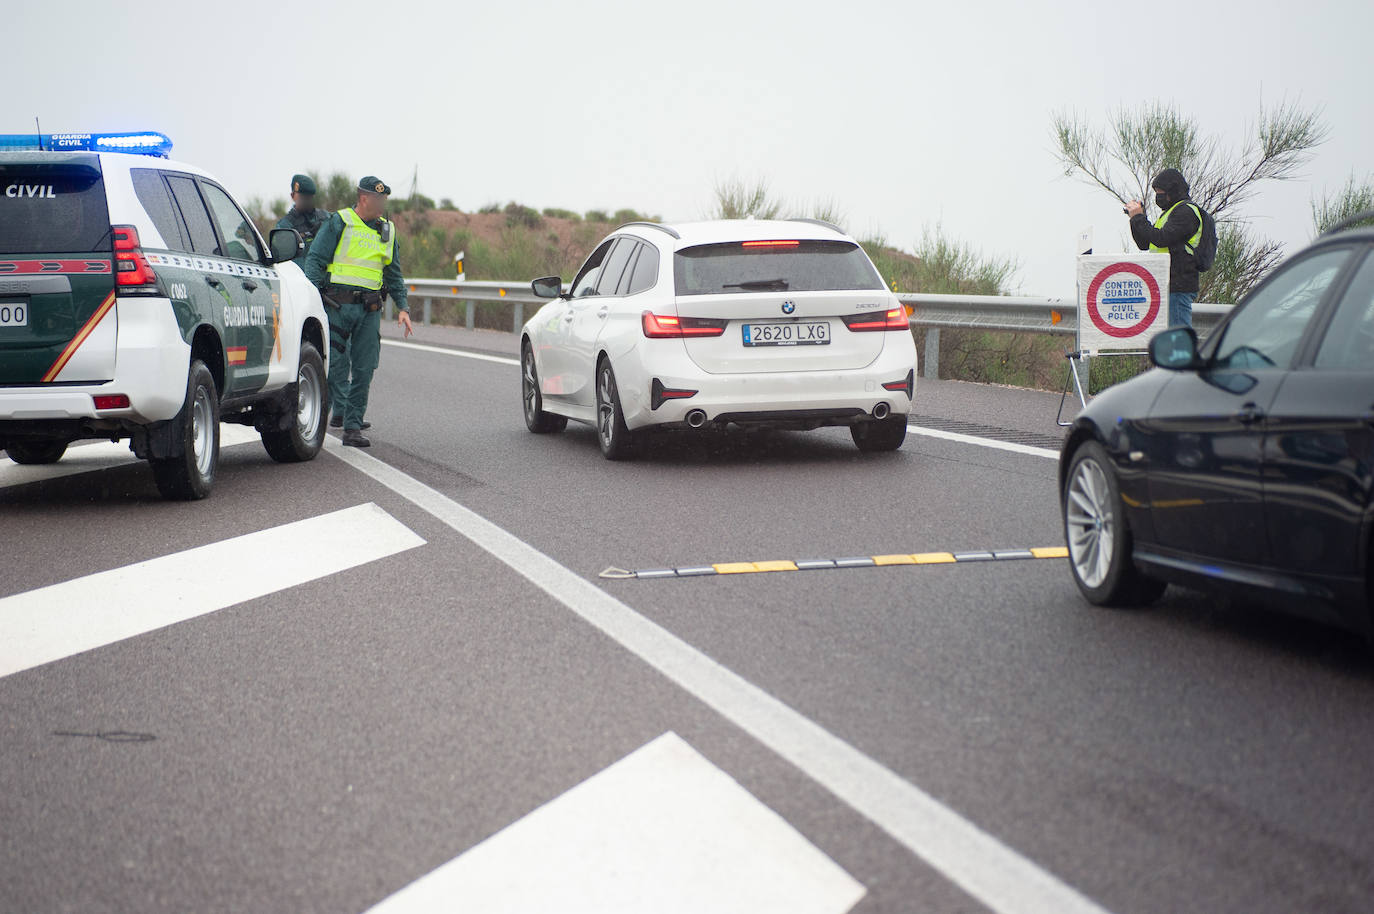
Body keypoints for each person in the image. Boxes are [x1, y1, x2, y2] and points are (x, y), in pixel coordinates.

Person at [303, 176, 414, 447]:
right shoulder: (339, 222)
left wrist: (403, 307)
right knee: (336, 368)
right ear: (364, 198)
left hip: (369, 310)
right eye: (378, 199)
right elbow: (315, 260)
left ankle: (352, 427)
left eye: (384, 199)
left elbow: (394, 272)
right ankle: (321, 418)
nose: (382, 204)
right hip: (337, 309)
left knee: (365, 368)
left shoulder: (387, 230)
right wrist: (314, 297)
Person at [1127, 168, 1202, 327]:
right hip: (1164, 286)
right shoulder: (1170, 214)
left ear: (1173, 191)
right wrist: (1136, 219)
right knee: (1169, 340)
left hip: (1178, 286)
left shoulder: (1185, 212)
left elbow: (1162, 239)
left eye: (1160, 192)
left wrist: (1139, 218)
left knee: (1178, 340)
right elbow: (1144, 243)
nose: (1158, 197)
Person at [275, 174, 331, 257]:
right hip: (299, 269)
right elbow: (284, 253)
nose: (305, 201)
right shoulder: (285, 225)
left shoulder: (325, 217)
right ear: (293, 196)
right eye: (302, 197)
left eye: (308, 197)